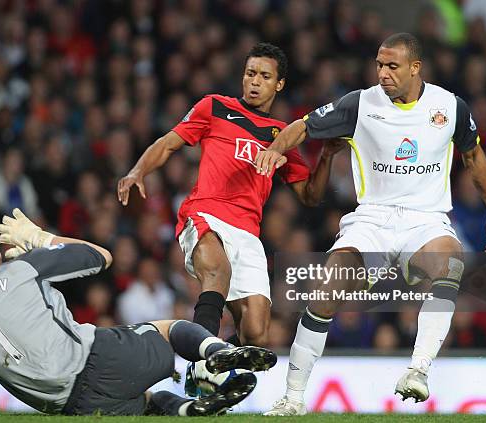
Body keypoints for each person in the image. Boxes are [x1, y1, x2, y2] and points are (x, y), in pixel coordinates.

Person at [255, 33, 486, 414]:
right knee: (326, 287)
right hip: (372, 218)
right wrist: (274, 150)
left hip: (425, 221)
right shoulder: (359, 104)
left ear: (415, 68)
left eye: (392, 66)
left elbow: (474, 159)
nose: (383, 74)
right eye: (379, 65)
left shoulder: (450, 107)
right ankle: (292, 396)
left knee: (451, 260)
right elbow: (302, 126)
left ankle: (418, 371)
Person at [117, 42, 343, 351]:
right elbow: (168, 142)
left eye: (264, 76)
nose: (255, 81)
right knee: (217, 271)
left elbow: (310, 195)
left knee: (256, 334)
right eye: (250, 73)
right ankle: (200, 357)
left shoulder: (282, 135)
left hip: (248, 232)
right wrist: (137, 171)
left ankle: (215, 360)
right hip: (205, 214)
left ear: (279, 84)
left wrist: (327, 156)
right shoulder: (215, 107)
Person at [0, 209, 277, 416]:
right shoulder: (20, 269)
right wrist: (40, 238)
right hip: (95, 357)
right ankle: (219, 351)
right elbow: (102, 256)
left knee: (148, 403)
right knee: (168, 328)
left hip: (70, 406)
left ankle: (192, 410)